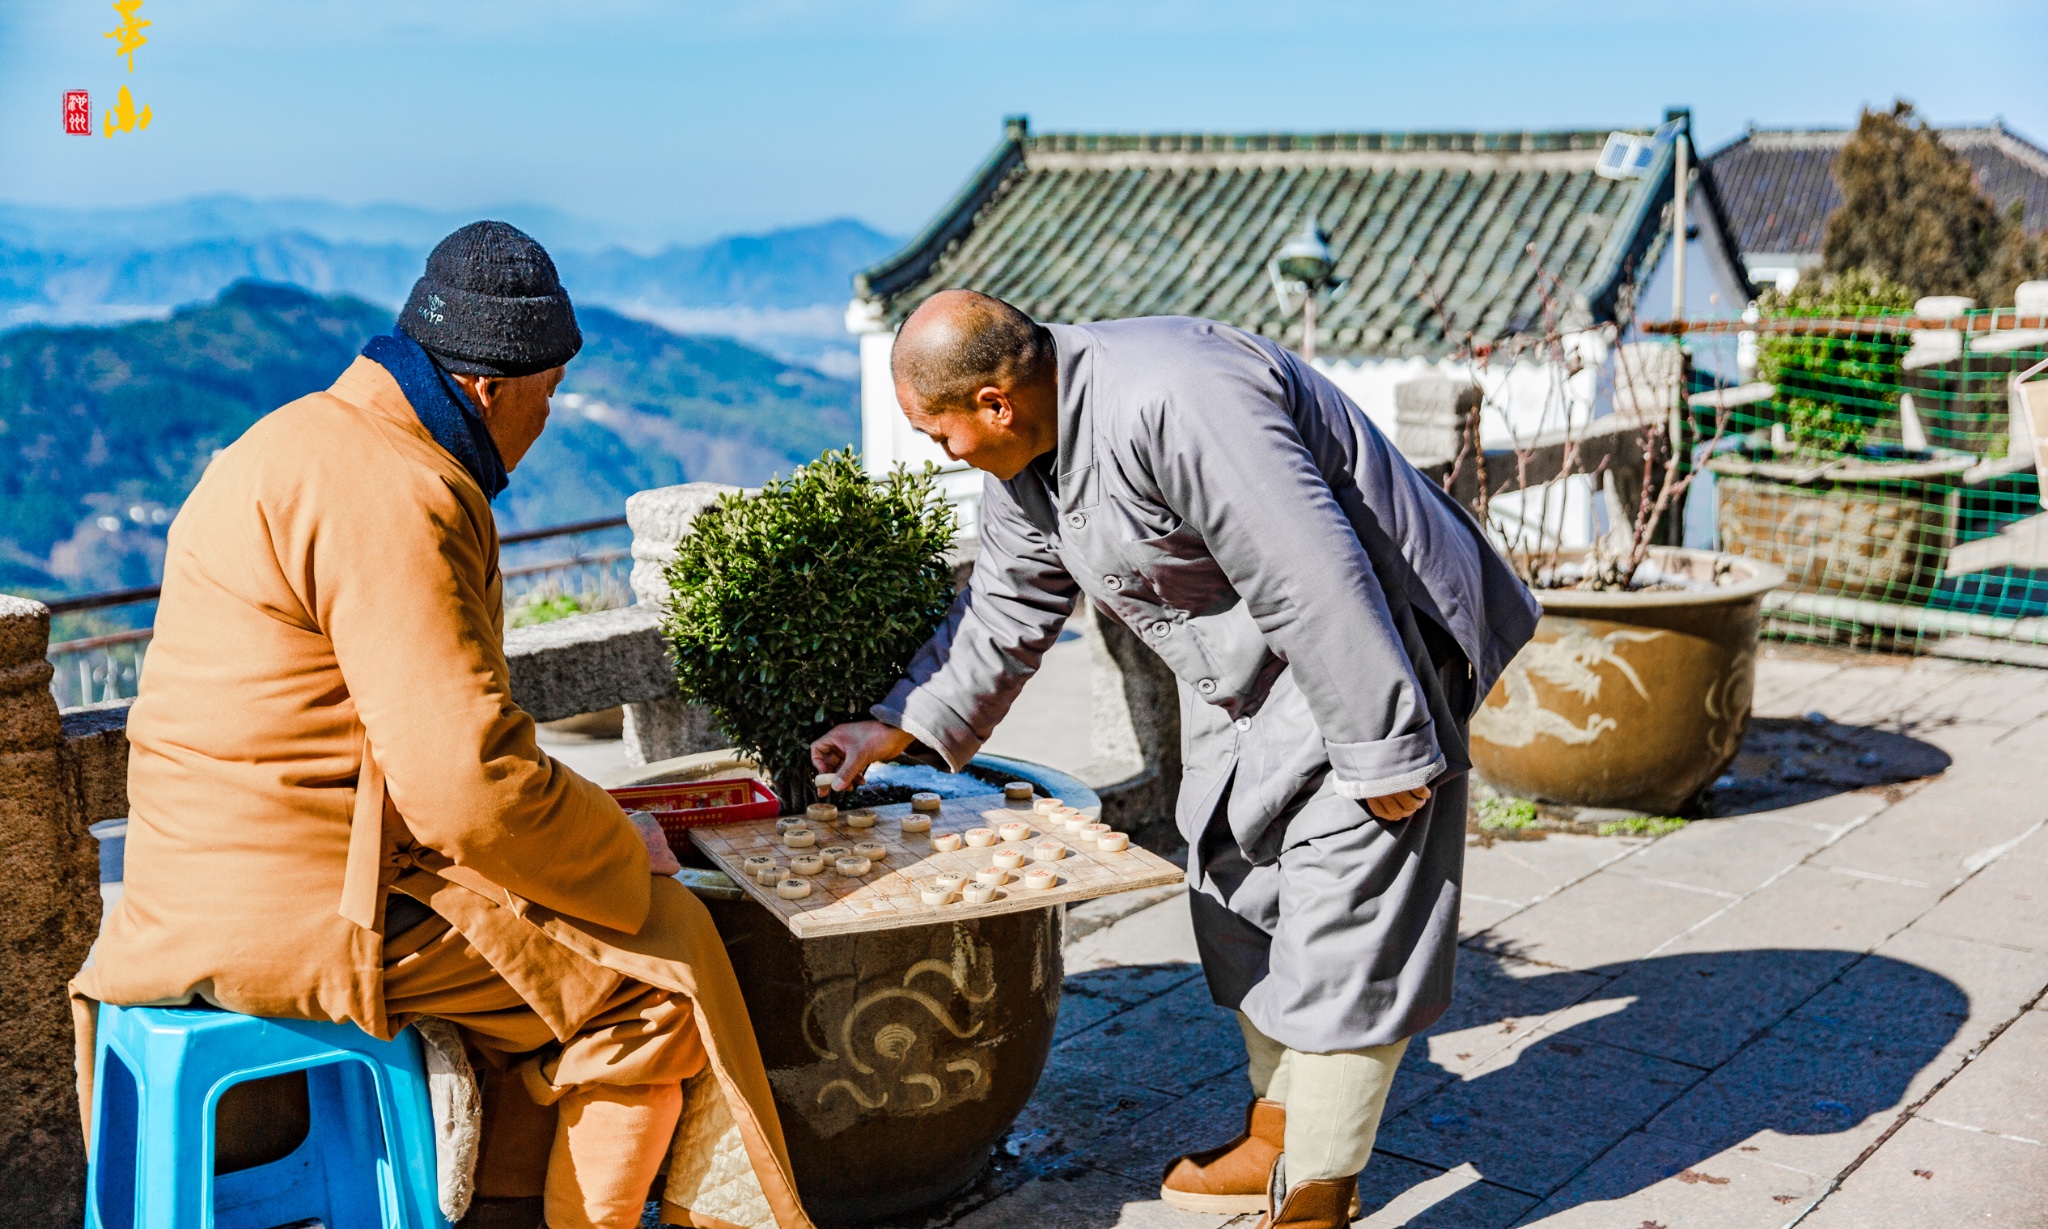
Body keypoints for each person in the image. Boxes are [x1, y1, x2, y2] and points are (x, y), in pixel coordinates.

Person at [73, 223, 813, 1229]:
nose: (545, 420)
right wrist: (614, 842)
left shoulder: (290, 438)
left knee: (553, 953)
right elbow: (464, 786)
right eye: (548, 394)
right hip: (305, 906)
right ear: (486, 389)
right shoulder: (399, 490)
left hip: (185, 878)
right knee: (657, 981)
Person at [810, 290, 1537, 1229]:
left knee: (1351, 916)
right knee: (1238, 882)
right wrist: (899, 723)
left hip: (1373, 649)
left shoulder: (1180, 396)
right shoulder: (1028, 451)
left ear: (995, 403)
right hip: (1242, 672)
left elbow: (1310, 572)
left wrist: (1385, 743)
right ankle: (1276, 1132)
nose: (937, 450)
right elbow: (1007, 604)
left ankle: (1316, 1191)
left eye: (935, 430)